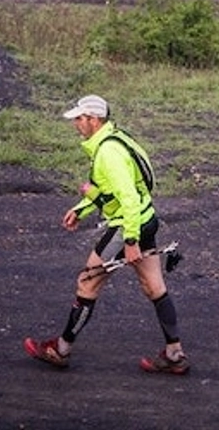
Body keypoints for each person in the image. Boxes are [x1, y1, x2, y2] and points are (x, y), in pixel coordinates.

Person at [23, 94, 189, 374]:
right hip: (147, 220)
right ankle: (175, 354)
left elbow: (127, 198)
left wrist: (130, 240)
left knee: (87, 283)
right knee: (154, 287)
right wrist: (82, 207)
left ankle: (60, 349)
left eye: (80, 118)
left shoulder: (108, 153)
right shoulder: (117, 139)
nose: (76, 123)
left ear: (94, 120)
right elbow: (122, 191)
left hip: (128, 226)